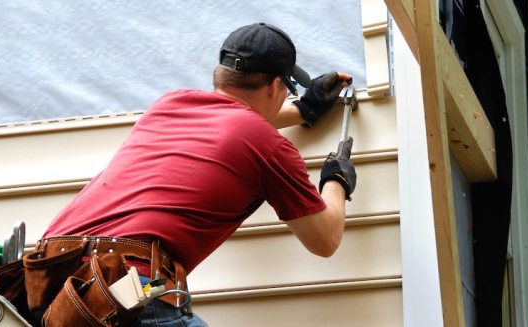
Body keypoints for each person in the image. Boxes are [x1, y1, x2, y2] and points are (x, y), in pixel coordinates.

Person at [39, 22, 356, 326]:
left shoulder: (169, 105)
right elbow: (324, 240)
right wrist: (336, 180)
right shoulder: (267, 145)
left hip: (52, 277)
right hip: (123, 287)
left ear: (222, 75)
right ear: (276, 86)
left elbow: (231, 125)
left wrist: (305, 110)